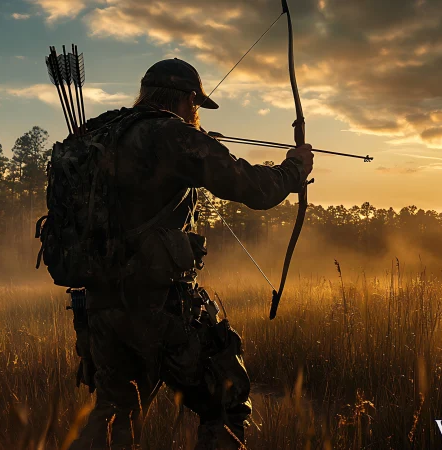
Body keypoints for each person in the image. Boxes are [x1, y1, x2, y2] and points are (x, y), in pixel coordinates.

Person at [68, 58, 314, 449]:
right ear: (186, 99)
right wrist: (293, 169)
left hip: (99, 308)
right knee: (227, 400)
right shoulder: (171, 134)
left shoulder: (102, 132)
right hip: (156, 306)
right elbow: (254, 188)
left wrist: (196, 144)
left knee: (115, 414)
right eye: (195, 105)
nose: (195, 112)